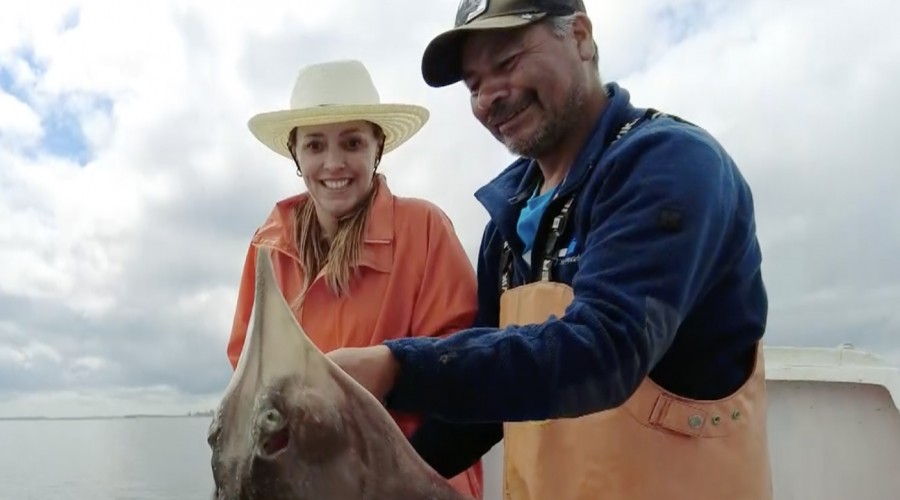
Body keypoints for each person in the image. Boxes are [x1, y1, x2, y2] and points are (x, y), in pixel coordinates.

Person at [326, 1, 773, 499]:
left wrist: (397, 366)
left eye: (507, 62)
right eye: (473, 84)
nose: (489, 96)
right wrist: (375, 482)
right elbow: (487, 407)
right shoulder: (507, 224)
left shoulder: (671, 164)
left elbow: (606, 348)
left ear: (581, 36)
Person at [225, 59, 484, 499]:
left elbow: (466, 365)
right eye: (314, 145)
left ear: (376, 147)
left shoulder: (423, 228)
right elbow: (245, 368)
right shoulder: (267, 247)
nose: (333, 163)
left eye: (351, 142)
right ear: (295, 153)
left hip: (416, 475)